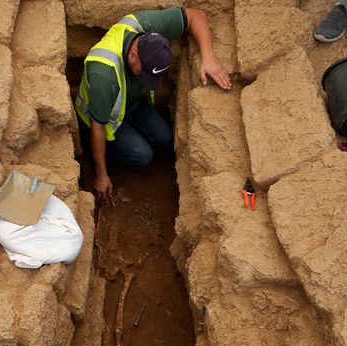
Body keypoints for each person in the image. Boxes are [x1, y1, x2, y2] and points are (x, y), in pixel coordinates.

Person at [75, 7, 231, 202]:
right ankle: (105, 157)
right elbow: (97, 127)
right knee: (142, 154)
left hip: (129, 104)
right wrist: (101, 175)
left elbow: (196, 15)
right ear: (133, 55)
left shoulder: (146, 28)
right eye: (144, 73)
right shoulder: (104, 75)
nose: (146, 80)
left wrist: (207, 56)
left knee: (166, 139)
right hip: (104, 119)